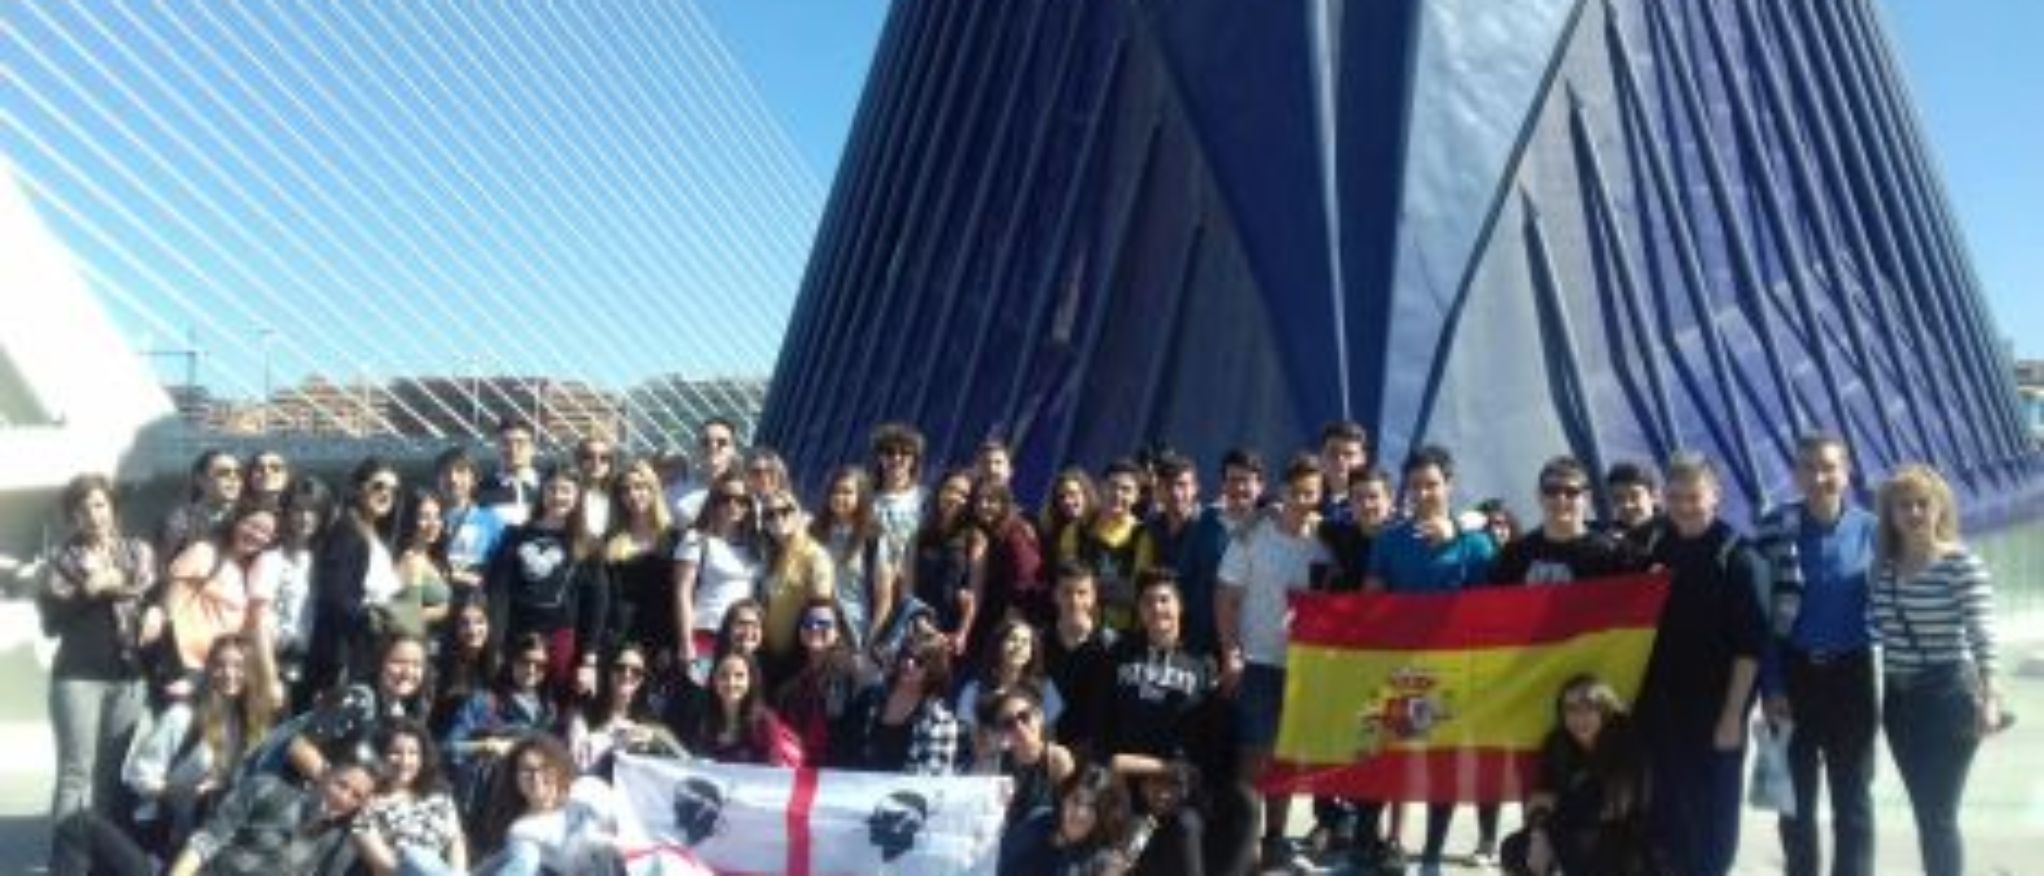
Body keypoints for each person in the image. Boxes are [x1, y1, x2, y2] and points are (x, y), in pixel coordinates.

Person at [1361, 445, 1499, 871]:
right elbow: (1371, 596)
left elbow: (1492, 609)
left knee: (1444, 764)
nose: (1423, 493)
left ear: (1449, 486)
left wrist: (1458, 532)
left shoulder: (1477, 544)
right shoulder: (1389, 539)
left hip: (1456, 672)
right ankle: (1370, 848)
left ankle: (1433, 856)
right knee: (1384, 757)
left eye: (1432, 484)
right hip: (1398, 669)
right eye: (1416, 485)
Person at [1871, 463, 2006, 876]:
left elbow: (1983, 633)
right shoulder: (1883, 571)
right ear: (1890, 515)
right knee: (1925, 812)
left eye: (1922, 504)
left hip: (1948, 700)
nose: (1913, 513)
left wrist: (1991, 698)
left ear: (1939, 509)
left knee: (1938, 815)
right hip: (1898, 703)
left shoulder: (1960, 564)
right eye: (1903, 505)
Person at [1637, 452, 1766, 876]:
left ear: (1716, 496)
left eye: (1694, 497)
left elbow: (1751, 649)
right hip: (1663, 704)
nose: (1685, 506)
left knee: (1715, 809)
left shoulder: (1738, 557)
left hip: (1716, 706)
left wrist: (1733, 716)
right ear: (1663, 498)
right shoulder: (1654, 544)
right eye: (1675, 497)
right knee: (1668, 805)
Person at [1755, 434, 1879, 876]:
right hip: (1793, 676)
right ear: (1795, 473)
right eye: (1807, 467)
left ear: (1846, 472)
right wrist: (1770, 686)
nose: (1818, 477)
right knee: (1794, 804)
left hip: (1852, 676)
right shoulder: (1775, 528)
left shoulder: (1873, 530)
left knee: (1854, 799)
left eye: (1828, 467)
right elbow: (1762, 616)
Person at [1216, 453, 1332, 870]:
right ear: (1282, 490)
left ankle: (1276, 837)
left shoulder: (1326, 541)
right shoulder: (1252, 536)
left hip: (1303, 668)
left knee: (1288, 756)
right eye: (1296, 491)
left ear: (1321, 496)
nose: (1303, 500)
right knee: (1253, 755)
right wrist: (1231, 653)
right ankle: (1245, 839)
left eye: (1311, 494)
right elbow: (1226, 597)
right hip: (1256, 663)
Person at [38, 474, 155, 868]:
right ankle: (68, 864)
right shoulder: (60, 560)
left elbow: (148, 590)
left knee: (109, 776)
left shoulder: (138, 553)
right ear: (72, 516)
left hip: (128, 675)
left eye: (100, 504)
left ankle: (102, 862)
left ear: (113, 508)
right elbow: (50, 623)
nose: (93, 514)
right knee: (75, 773)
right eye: (83, 507)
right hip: (77, 676)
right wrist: (90, 588)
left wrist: (118, 583)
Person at [119, 634, 277, 857]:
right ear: (209, 669)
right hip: (162, 834)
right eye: (220, 665)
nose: (229, 674)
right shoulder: (182, 717)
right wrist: (184, 792)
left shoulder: (252, 725)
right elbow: (138, 776)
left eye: (239, 666)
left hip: (211, 838)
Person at [1499, 675, 1649, 875]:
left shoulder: (1625, 740)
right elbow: (1541, 796)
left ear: (1604, 709)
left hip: (1620, 835)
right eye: (1570, 709)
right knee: (1515, 849)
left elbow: (1614, 806)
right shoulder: (1558, 744)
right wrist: (1538, 829)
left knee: (1598, 842)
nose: (1579, 717)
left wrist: (1556, 805)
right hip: (1567, 826)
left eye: (1588, 707)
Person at [485, 468, 606, 695]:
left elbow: (597, 605)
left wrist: (589, 658)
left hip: (561, 637)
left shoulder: (589, 544)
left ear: (578, 496)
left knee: (556, 701)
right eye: (552, 489)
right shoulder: (515, 535)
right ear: (542, 493)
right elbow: (498, 592)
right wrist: (495, 644)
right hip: (516, 634)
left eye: (566, 491)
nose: (558, 496)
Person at [1103, 570, 1217, 781]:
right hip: (1124, 771)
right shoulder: (1119, 653)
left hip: (1178, 775)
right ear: (1139, 610)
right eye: (1148, 602)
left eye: (1165, 600)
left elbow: (1209, 728)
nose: (1157, 608)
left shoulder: (1201, 661)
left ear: (1180, 606)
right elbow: (1103, 715)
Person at [308, 458, 403, 693]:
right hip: (349, 655)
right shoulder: (347, 533)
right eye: (378, 486)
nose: (386, 494)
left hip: (373, 650)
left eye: (393, 490)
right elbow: (337, 597)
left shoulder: (374, 536)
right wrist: (374, 619)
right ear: (356, 488)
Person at [160, 503, 279, 689]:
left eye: (265, 532)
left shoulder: (247, 570)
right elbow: (169, 610)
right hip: (189, 667)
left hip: (223, 672)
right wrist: (175, 668)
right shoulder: (204, 553)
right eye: (252, 525)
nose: (256, 535)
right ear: (236, 522)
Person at [286, 634, 432, 784]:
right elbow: (299, 748)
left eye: (416, 665)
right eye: (398, 662)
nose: (407, 672)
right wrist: (336, 789)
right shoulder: (358, 700)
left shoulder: (401, 713)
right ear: (380, 663)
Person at [443, 633, 562, 817]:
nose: (531, 670)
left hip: (531, 805)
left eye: (540, 666)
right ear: (511, 661)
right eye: (525, 661)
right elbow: (449, 747)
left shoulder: (549, 711)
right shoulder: (484, 701)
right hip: (485, 804)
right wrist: (486, 745)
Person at [468, 735, 624, 874]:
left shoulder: (589, 788)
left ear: (559, 768)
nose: (536, 777)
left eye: (544, 767)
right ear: (515, 779)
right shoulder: (523, 831)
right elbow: (529, 867)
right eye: (526, 770)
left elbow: (629, 821)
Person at [1489, 456, 1628, 586]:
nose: (1561, 499)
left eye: (1571, 492)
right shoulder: (1514, 556)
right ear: (1539, 495)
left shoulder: (1612, 555)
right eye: (1552, 490)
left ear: (1586, 498)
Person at [350, 720, 467, 875]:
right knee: (415, 856)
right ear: (379, 756)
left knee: (511, 850)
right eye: (395, 753)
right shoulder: (367, 806)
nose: (405, 761)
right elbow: (387, 867)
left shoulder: (438, 795)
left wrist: (458, 872)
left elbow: (455, 840)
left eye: (413, 753)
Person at [671, 471, 763, 667]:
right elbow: (682, 592)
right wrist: (686, 642)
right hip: (707, 634)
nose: (733, 505)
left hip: (744, 638)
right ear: (714, 501)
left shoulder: (754, 546)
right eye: (726, 498)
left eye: (741, 500)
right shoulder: (696, 540)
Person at [1142, 452, 1228, 655]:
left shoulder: (1215, 527)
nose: (1176, 493)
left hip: (1205, 644)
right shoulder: (1150, 528)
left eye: (1182, 485)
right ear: (1158, 490)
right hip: (1159, 639)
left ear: (1196, 488)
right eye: (1168, 485)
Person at [601, 460, 682, 677]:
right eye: (625, 489)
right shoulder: (609, 542)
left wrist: (672, 643)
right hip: (618, 641)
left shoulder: (675, 538)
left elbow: (682, 595)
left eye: (640, 487)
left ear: (653, 489)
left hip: (661, 642)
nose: (633, 494)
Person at [772, 598, 873, 766]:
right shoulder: (788, 683)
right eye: (808, 623)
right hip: (795, 772)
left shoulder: (854, 674)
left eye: (824, 623)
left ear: (838, 631)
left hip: (838, 775)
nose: (815, 628)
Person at [845, 634, 962, 775]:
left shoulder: (940, 719)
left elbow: (932, 777)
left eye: (920, 661)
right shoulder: (870, 697)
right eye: (906, 656)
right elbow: (846, 749)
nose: (909, 663)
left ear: (933, 669)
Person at [903, 469, 986, 657]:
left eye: (963, 495)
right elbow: (907, 587)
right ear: (940, 491)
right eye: (950, 489)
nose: (955, 497)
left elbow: (975, 592)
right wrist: (918, 620)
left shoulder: (975, 538)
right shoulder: (918, 536)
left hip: (950, 632)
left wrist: (962, 633)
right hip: (917, 624)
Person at [812, 465, 896, 649]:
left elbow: (884, 600)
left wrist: (869, 644)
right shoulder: (815, 532)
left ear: (861, 497)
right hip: (812, 628)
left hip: (852, 632)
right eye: (835, 491)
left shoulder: (873, 539)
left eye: (847, 492)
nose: (839, 497)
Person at [1058, 459, 1147, 633]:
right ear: (1101, 488)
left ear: (1136, 496)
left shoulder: (1143, 536)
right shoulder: (1075, 532)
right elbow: (1066, 585)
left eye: (1126, 490)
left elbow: (1138, 593)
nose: (1117, 494)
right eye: (1112, 486)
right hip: (1078, 630)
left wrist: (1088, 588)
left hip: (1123, 635)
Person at [567, 643, 680, 774]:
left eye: (636, 671)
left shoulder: (650, 721)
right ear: (608, 672)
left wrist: (654, 745)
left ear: (643, 679)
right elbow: (576, 765)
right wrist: (619, 744)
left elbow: (679, 761)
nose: (627, 675)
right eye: (620, 668)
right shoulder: (584, 714)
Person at [1043, 562, 1117, 757]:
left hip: (1096, 753)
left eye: (1082, 593)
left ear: (1093, 598)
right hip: (1047, 749)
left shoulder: (1113, 647)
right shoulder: (1037, 644)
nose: (1074, 601)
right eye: (1066, 592)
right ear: (1055, 595)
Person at [957, 617, 1065, 747]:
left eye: (1026, 642)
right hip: (987, 764)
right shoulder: (973, 690)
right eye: (1013, 639)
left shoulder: (1046, 687)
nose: (1019, 646)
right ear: (998, 645)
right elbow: (971, 743)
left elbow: (1050, 739)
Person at [682, 651, 803, 767]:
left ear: (750, 680)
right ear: (714, 681)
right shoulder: (705, 721)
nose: (731, 682)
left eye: (739, 676)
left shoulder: (765, 722)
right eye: (724, 675)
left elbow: (773, 773)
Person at [272, 477, 332, 709]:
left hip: (313, 667)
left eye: (314, 511)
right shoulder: (273, 558)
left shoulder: (325, 558)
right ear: (286, 512)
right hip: (278, 665)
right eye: (298, 509)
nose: (305, 518)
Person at [757, 489, 835, 664]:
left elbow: (821, 609)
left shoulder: (815, 555)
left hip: (801, 655)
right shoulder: (776, 557)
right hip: (773, 655)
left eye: (785, 511)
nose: (778, 518)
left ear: (799, 514)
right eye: (769, 514)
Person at [975, 480, 1047, 636]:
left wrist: (1014, 609)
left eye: (991, 501)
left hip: (1012, 615)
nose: (983, 505)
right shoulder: (992, 531)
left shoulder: (1015, 532)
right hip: (996, 612)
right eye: (979, 500)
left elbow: (1026, 576)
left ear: (1004, 503)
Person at [1037, 765, 1134, 876]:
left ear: (1104, 816)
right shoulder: (1039, 820)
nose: (1080, 813)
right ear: (1064, 798)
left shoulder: (1103, 864)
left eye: (1092, 807)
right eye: (1076, 799)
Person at [434, 447, 505, 596]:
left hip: (474, 604)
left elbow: (501, 571)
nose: (452, 479)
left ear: (474, 479)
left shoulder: (491, 520)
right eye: (445, 472)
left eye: (460, 471)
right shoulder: (425, 517)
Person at [157, 449, 245, 567]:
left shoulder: (246, 516)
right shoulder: (180, 521)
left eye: (239, 473)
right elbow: (167, 565)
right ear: (200, 480)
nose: (233, 478)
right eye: (224, 473)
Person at [431, 595, 499, 737]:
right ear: (454, 628)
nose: (473, 630)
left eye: (479, 622)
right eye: (464, 623)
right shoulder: (439, 667)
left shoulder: (496, 664)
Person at [391, 488, 454, 639]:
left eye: (437, 516)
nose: (433, 523)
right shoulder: (412, 561)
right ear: (410, 521)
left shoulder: (430, 558)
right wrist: (442, 610)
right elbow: (408, 618)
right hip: (419, 648)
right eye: (424, 517)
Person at [1129, 760, 1207, 876]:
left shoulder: (1186, 823)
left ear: (1185, 790)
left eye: (1174, 783)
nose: (1164, 791)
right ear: (1143, 787)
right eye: (1157, 781)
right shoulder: (1145, 825)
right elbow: (1130, 861)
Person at [869, 421, 930, 555]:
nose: (897, 458)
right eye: (889, 452)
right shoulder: (866, 500)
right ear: (880, 457)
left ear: (914, 459)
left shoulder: (927, 500)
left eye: (905, 453)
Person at [672, 417, 742, 527]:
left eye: (722, 442)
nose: (713, 447)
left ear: (732, 449)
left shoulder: (746, 490)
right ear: (697, 448)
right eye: (705, 442)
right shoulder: (675, 490)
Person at [478, 417, 541, 527]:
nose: (513, 449)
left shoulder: (549, 487)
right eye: (505, 443)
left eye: (520, 443)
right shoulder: (481, 489)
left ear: (533, 448)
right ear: (497, 447)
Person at [1603, 461, 1665, 563]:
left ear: (1654, 496)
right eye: (1618, 498)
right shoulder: (1607, 540)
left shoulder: (1675, 533)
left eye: (1634, 496)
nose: (1627, 505)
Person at [1039, 468, 1098, 561]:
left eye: (1073, 494)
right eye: (1061, 497)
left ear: (1086, 494)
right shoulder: (1056, 532)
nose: (1067, 501)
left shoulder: (1099, 527)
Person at [1317, 420, 1370, 521]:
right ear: (1321, 457)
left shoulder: (1376, 506)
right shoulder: (1302, 501)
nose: (1340, 460)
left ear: (1363, 459)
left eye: (1349, 454)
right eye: (1333, 452)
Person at [572, 435, 616, 541]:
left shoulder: (620, 494)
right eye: (588, 456)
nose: (596, 463)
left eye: (604, 457)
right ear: (579, 460)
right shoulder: (568, 495)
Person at [1215, 449, 1267, 537]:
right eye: (1232, 480)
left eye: (1245, 480)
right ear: (1223, 485)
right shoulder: (1209, 524)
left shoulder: (1274, 527)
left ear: (1260, 486)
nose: (1239, 488)